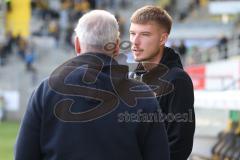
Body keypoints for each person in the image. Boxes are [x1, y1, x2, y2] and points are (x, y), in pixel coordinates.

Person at [15, 10, 170, 160]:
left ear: (77, 45)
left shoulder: (45, 90)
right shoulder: (142, 95)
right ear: (116, 46)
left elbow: (24, 155)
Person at [129, 6, 195, 160]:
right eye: (132, 33)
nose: (135, 42)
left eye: (144, 35)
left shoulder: (177, 80)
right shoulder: (133, 77)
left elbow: (179, 145)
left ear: (162, 39)